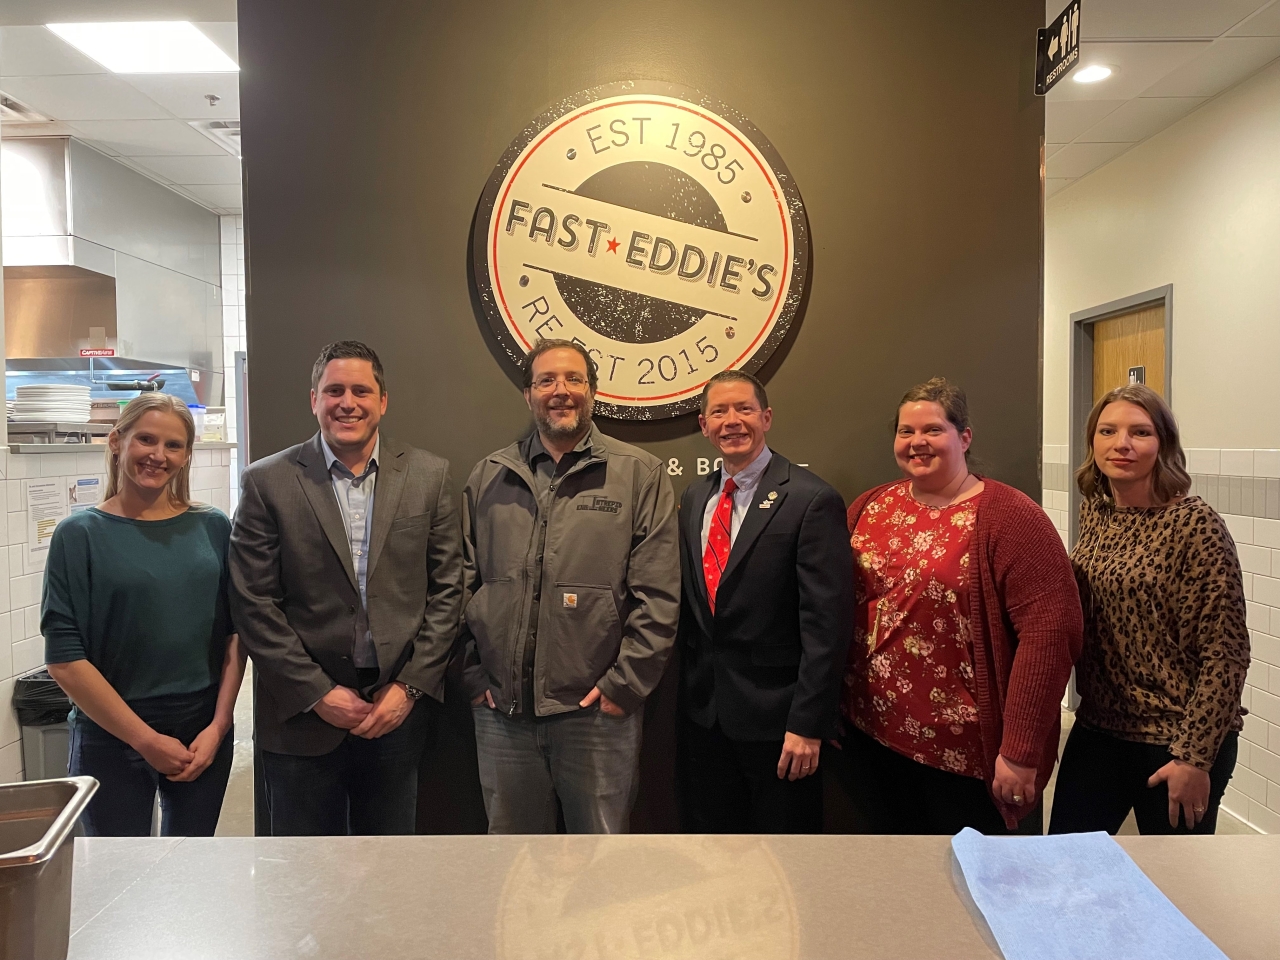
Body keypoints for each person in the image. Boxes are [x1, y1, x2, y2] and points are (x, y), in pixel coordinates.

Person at [229, 340, 464, 835]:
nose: (347, 402)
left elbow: (450, 589)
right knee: (305, 876)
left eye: (361, 390)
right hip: (300, 718)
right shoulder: (266, 482)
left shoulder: (429, 476)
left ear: (383, 401)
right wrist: (316, 693)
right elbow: (252, 603)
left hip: (395, 713)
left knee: (389, 870)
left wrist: (410, 687)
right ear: (314, 399)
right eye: (334, 390)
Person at [838, 377, 1082, 834]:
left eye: (932, 430)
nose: (917, 443)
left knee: (965, 886)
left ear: (964, 437)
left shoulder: (1010, 517)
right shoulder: (871, 506)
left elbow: (1051, 635)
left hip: (960, 755)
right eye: (906, 432)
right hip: (869, 736)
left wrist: (1020, 749)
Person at [459, 338, 680, 834]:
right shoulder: (490, 476)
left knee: (600, 873)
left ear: (593, 392)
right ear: (528, 395)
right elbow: (461, 585)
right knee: (513, 870)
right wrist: (473, 678)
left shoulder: (637, 474)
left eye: (573, 379)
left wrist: (623, 687)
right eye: (546, 381)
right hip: (503, 717)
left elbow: (659, 597)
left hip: (596, 719)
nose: (561, 391)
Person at [1049, 385, 1249, 836]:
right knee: (1066, 865)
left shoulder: (1194, 525)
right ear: (1092, 442)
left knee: (1172, 887)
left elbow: (1227, 652)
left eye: (1139, 432)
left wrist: (1194, 758)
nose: (1122, 444)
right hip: (1100, 726)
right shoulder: (1097, 514)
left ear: (1163, 445)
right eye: (1108, 431)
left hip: (1176, 740)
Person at [43, 394, 243, 836]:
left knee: (188, 874)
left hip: (202, 728)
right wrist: (145, 740)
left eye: (173, 445)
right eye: (146, 440)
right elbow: (64, 658)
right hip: (110, 732)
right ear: (117, 441)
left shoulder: (213, 527)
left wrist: (219, 725)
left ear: (188, 455)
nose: (158, 455)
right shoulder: (78, 536)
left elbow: (235, 635)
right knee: (115, 882)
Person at [675, 371, 853, 833]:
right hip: (706, 718)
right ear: (703, 425)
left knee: (784, 866)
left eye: (744, 409)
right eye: (719, 412)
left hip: (780, 726)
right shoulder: (696, 498)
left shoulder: (811, 500)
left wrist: (808, 724)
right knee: (714, 857)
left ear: (767, 417)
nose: (732, 422)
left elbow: (827, 627)